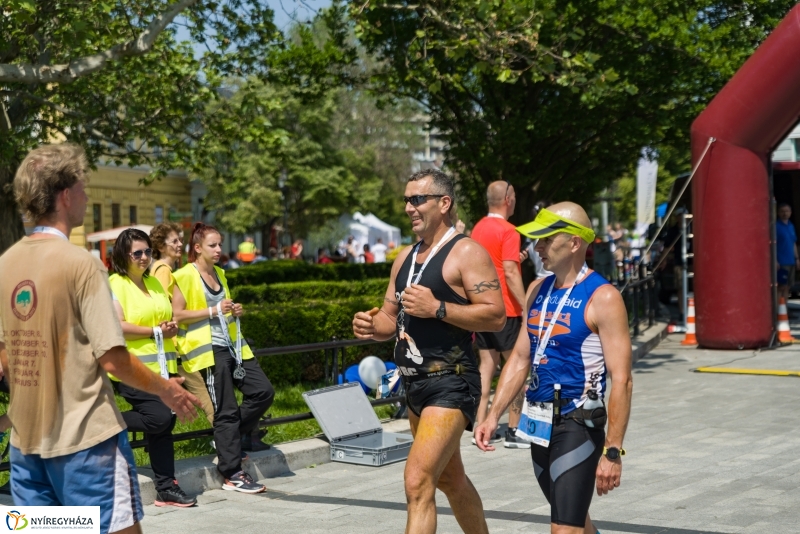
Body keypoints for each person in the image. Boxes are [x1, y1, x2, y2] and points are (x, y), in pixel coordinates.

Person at [0, 143, 198, 534]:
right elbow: (113, 358)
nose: (87, 196)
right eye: (83, 187)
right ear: (66, 194)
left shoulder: (6, 264)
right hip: (87, 444)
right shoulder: (82, 264)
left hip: (25, 448)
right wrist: (167, 390)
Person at [352, 169, 505, 534]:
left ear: (444, 203)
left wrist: (438, 308)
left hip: (450, 383)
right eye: (406, 200)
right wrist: (371, 327)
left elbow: (496, 315)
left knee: (417, 481)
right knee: (450, 481)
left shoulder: (466, 251)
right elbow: (391, 317)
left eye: (417, 199)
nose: (409, 208)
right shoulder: (405, 257)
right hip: (414, 385)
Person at [475, 202, 633, 534]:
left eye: (546, 239)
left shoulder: (603, 298)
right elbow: (519, 359)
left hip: (578, 424)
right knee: (574, 520)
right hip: (539, 423)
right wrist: (493, 415)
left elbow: (622, 380)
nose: (537, 248)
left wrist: (613, 452)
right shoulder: (537, 290)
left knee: (564, 528)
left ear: (575, 242)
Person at [172, 222, 275, 493]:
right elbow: (177, 315)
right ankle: (232, 472)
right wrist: (214, 310)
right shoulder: (184, 274)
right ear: (197, 248)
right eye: (212, 245)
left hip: (234, 346)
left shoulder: (220, 272)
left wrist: (233, 310)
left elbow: (222, 309)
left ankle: (226, 441)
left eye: (220, 244)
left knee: (263, 392)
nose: (219, 249)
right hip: (207, 351)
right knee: (225, 411)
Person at [109, 229, 197, 508]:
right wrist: (154, 332)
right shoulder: (114, 283)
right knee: (159, 419)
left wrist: (169, 328)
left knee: (165, 424)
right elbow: (118, 326)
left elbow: (166, 319)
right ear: (124, 254)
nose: (144, 257)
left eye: (147, 251)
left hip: (163, 367)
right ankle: (106, 422)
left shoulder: (156, 284)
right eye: (138, 253)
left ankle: (166, 486)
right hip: (132, 369)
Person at [470, 180, 530, 449]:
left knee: (486, 368)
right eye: (515, 195)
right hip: (507, 310)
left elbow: (489, 264)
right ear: (507, 199)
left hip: (482, 308)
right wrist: (527, 305)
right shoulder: (509, 230)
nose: (516, 200)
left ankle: (480, 425)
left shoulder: (478, 228)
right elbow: (509, 271)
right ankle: (514, 430)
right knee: (517, 367)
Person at [151, 223, 216, 425]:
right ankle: (228, 442)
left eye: (180, 240)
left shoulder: (163, 268)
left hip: (172, 347)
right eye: (175, 241)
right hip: (176, 348)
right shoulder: (163, 270)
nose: (180, 245)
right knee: (209, 401)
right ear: (161, 246)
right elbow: (162, 307)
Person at [776, 203, 799, 301]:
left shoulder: (791, 226)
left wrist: (797, 258)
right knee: (781, 287)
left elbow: (793, 243)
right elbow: (772, 245)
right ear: (778, 213)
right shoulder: (776, 226)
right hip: (782, 262)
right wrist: (775, 261)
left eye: (787, 211)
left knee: (788, 287)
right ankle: (777, 311)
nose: (785, 213)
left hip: (791, 261)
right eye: (782, 211)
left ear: (790, 213)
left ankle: (784, 310)